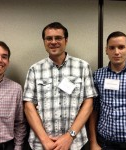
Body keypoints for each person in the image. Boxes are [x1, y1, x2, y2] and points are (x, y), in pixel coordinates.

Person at [23, 22, 97, 150]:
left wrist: (70, 136)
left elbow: (89, 103)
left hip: (76, 143)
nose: (53, 41)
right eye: (49, 38)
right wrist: (45, 140)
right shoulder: (35, 69)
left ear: (66, 40)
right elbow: (28, 106)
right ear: (44, 41)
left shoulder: (82, 67)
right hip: (41, 145)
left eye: (58, 38)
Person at [89, 31, 126, 150]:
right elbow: (94, 110)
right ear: (106, 50)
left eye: (121, 47)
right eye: (112, 48)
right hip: (104, 143)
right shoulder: (97, 75)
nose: (116, 52)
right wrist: (93, 142)